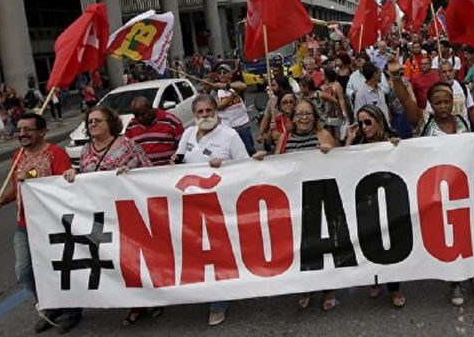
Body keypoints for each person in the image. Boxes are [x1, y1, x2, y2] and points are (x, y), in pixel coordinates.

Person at [387, 59, 474, 305]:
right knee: (448, 237)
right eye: (437, 102)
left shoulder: (463, 123)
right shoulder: (425, 122)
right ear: (431, 105)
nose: (443, 106)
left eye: (446, 101)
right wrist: (395, 77)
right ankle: (454, 282)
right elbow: (406, 102)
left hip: (464, 192)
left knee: (468, 234)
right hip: (437, 193)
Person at [63, 106, 152, 327]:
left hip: (127, 212)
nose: (92, 124)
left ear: (110, 122)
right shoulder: (85, 151)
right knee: (115, 260)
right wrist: (74, 174)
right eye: (90, 121)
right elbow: (85, 177)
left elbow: (150, 172)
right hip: (101, 215)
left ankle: (144, 302)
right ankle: (132, 300)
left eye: (97, 121)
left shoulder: (129, 146)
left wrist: (131, 174)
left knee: (135, 259)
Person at [0, 113, 75, 332]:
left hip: (52, 224)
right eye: (20, 129)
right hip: (25, 224)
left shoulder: (56, 154)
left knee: (61, 268)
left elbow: (63, 187)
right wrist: (1, 201)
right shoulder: (18, 156)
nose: (23, 133)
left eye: (28, 129)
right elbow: (18, 188)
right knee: (24, 271)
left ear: (42, 131)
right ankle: (49, 306)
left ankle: (72, 309)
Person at [173, 94, 250, 326]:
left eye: (209, 111)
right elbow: (178, 161)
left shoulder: (230, 136)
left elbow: (246, 168)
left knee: (217, 254)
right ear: (194, 115)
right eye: (200, 112)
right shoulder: (187, 134)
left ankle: (218, 303)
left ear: (216, 112)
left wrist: (225, 167)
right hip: (191, 206)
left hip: (220, 206)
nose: (205, 115)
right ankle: (206, 292)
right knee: (198, 254)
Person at [268, 99, 338, 310]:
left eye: (308, 114)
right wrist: (262, 159)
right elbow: (275, 167)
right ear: (293, 117)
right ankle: (308, 286)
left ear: (315, 116)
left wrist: (329, 152)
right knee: (302, 246)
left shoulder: (323, 135)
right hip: (296, 200)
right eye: (300, 114)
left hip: (322, 197)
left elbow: (343, 163)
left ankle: (329, 288)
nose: (304, 118)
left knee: (324, 244)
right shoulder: (284, 138)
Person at [344, 104, 406, 307]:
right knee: (371, 245)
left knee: (393, 245)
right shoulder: (359, 141)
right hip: (367, 204)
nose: (364, 127)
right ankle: (374, 280)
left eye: (368, 122)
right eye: (360, 123)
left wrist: (397, 148)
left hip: (391, 202)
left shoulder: (392, 138)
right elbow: (340, 167)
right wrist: (350, 140)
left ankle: (394, 288)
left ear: (379, 121)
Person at [125, 96, 185, 166]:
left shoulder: (171, 121)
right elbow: (128, 152)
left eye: (143, 114)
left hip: (169, 171)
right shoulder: (131, 126)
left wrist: (177, 160)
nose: (140, 118)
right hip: (144, 173)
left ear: (150, 109)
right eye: (136, 115)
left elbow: (183, 146)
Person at [211, 64, 256, 155]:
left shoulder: (235, 85)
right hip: (228, 129)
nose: (222, 74)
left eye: (225, 72)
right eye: (219, 73)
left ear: (230, 74)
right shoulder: (215, 91)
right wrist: (232, 97)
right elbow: (218, 106)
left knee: (250, 152)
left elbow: (243, 86)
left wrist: (225, 85)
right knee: (232, 154)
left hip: (243, 126)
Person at [428, 59, 474, 130]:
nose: (448, 74)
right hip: (442, 133)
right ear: (439, 74)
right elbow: (430, 114)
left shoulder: (463, 87)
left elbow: (471, 109)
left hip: (463, 131)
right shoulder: (434, 90)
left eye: (450, 71)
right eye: (444, 72)